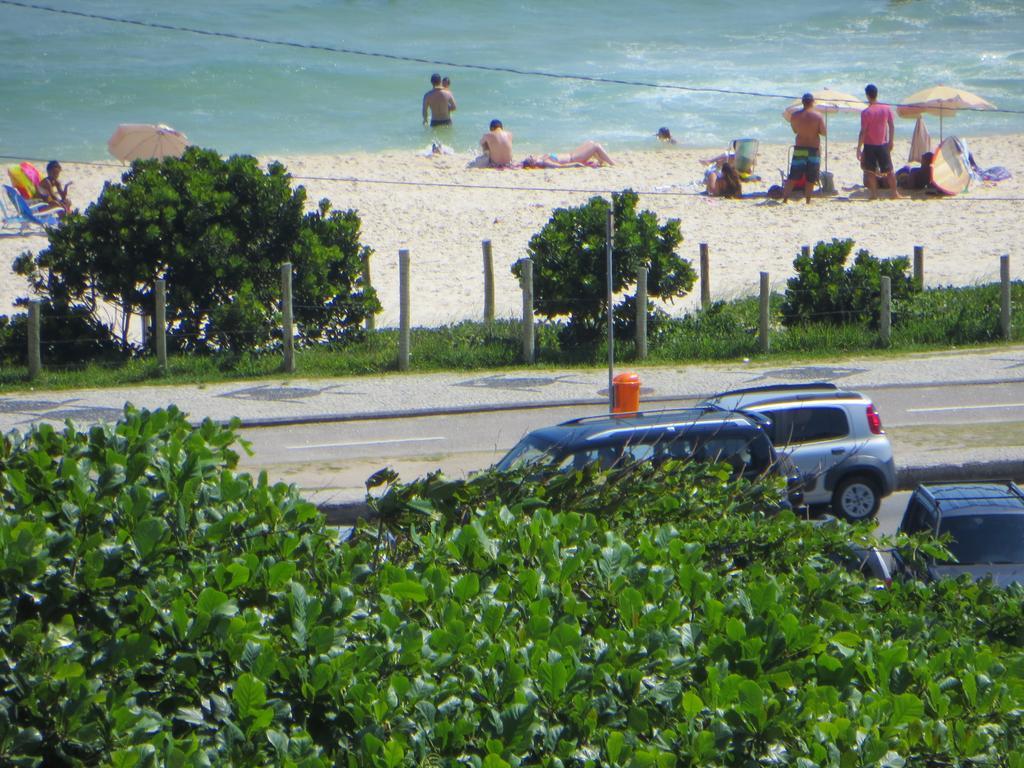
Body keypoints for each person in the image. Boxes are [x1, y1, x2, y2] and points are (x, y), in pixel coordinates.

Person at [857, 84, 900, 200]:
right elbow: (891, 125)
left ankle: (874, 194)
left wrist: (858, 148)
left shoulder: (866, 112)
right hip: (882, 144)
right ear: (877, 94)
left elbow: (863, 131)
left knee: (870, 171)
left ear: (867, 96)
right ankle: (894, 193)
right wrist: (891, 140)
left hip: (870, 144)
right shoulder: (886, 108)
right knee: (889, 170)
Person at [781, 93, 826, 204]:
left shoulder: (795, 116)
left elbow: (795, 131)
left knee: (793, 176)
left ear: (802, 102)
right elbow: (824, 132)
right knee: (811, 177)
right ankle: (808, 200)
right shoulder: (818, 116)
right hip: (813, 149)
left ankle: (785, 199)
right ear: (812, 102)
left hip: (800, 148)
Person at [521, 141, 615, 168]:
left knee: (590, 142)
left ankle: (601, 162)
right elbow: (561, 166)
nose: (532, 156)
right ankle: (612, 164)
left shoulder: (543, 157)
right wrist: (575, 164)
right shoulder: (546, 162)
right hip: (574, 159)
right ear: (533, 163)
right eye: (531, 158)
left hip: (572, 154)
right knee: (596, 146)